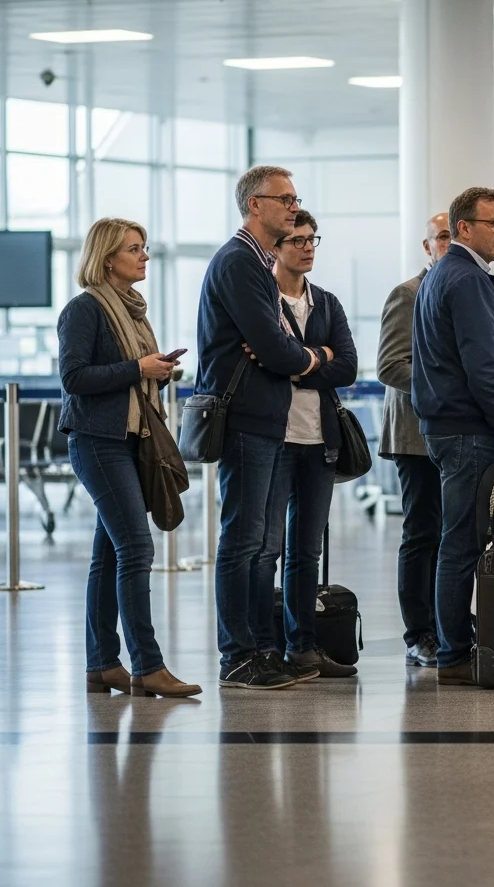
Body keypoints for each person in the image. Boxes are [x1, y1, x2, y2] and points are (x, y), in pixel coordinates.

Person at [58, 218, 200, 699]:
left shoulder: (133, 311)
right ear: (106, 259)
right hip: (98, 441)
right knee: (137, 549)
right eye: (134, 249)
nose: (144, 256)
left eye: (144, 247)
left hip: (128, 440)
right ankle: (147, 666)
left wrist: (155, 371)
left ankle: (101, 664)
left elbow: (125, 374)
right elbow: (74, 377)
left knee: (108, 554)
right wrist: (139, 367)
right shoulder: (84, 310)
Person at [196, 165, 321, 690]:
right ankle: (237, 655)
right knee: (243, 540)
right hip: (246, 417)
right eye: (285, 199)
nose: (294, 207)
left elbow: (275, 342)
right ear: (255, 205)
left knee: (263, 544)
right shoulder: (239, 262)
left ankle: (261, 648)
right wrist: (312, 357)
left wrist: (289, 350)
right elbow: (273, 347)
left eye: (294, 198)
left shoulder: (258, 262)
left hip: (267, 418)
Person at [411, 186, 494, 686]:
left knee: (456, 541)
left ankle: (454, 647)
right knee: (462, 544)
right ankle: (455, 654)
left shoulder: (445, 274)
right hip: (467, 429)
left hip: (449, 426)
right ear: (464, 228)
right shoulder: (467, 279)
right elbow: (483, 366)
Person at [253, 208, 359, 681]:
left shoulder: (327, 304)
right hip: (275, 439)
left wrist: (298, 366)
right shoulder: (263, 300)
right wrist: (319, 358)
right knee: (266, 550)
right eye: (297, 240)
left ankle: (302, 647)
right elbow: (266, 363)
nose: (307, 247)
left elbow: (348, 367)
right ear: (276, 247)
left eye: (312, 239)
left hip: (320, 441)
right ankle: (264, 647)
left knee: (305, 552)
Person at [377, 212, 451, 668]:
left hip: (457, 434)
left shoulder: (466, 292)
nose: (448, 244)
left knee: (453, 535)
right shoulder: (407, 294)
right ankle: (419, 632)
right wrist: (449, 390)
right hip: (416, 435)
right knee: (423, 532)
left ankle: (448, 624)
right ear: (427, 246)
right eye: (441, 237)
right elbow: (391, 366)